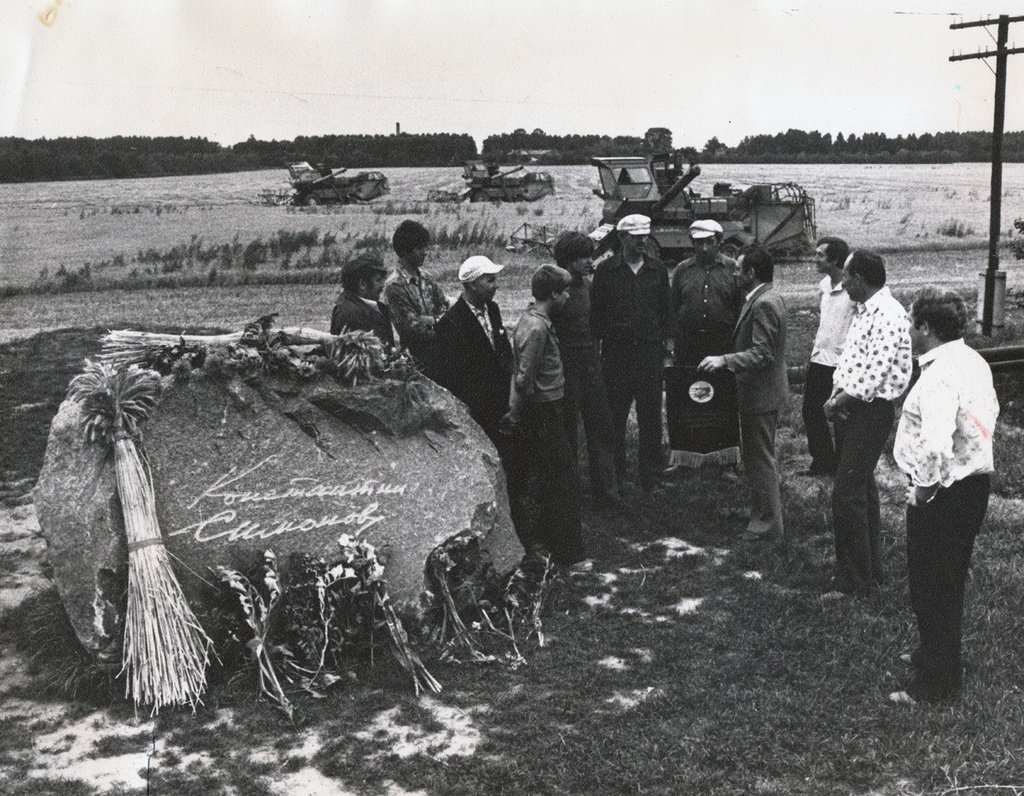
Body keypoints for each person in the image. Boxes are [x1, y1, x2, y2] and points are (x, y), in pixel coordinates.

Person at [889, 288, 998, 705]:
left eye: (911, 321)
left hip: (945, 492)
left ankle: (937, 680)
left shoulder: (937, 376)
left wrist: (924, 490)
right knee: (944, 579)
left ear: (926, 328)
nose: (908, 328)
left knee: (933, 584)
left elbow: (936, 445)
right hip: (972, 488)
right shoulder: (970, 359)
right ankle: (931, 651)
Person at [823, 250, 912, 599]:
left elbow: (871, 377)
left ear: (860, 278)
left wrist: (834, 403)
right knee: (862, 490)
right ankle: (871, 572)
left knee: (845, 494)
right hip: (852, 408)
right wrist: (837, 394)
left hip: (870, 411)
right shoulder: (865, 311)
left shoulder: (889, 314)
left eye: (845, 276)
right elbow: (850, 363)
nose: (842, 282)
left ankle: (855, 583)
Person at [501, 265, 590, 572]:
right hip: (543, 411)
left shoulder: (531, 320)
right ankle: (569, 554)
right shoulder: (537, 329)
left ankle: (545, 540)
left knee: (549, 477)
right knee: (563, 480)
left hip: (542, 410)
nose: (567, 296)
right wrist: (520, 409)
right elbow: (524, 378)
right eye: (564, 291)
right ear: (553, 294)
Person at [698, 247, 788, 541]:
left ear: (751, 274)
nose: (734, 273)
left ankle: (768, 525)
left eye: (738, 269)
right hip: (760, 393)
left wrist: (725, 360)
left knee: (759, 459)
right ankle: (761, 514)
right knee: (758, 457)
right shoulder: (766, 298)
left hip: (759, 395)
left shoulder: (763, 304)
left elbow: (763, 354)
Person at [590, 214, 671, 492]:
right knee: (615, 417)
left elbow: (666, 312)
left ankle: (651, 476)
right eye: (635, 237)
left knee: (650, 417)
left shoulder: (658, 270)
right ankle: (617, 476)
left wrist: (667, 348)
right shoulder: (605, 271)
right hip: (617, 357)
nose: (641, 242)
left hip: (649, 355)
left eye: (644, 236)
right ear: (622, 238)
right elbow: (596, 316)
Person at [551, 232, 620, 509]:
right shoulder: (555, 293)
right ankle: (569, 496)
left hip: (592, 368)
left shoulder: (589, 288)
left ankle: (606, 495)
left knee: (602, 429)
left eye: (590, 256)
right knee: (567, 434)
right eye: (583, 257)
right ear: (568, 260)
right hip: (565, 372)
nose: (590, 261)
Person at [666, 219, 744, 468]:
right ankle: (685, 455)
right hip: (688, 342)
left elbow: (740, 308)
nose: (704, 248)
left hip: (722, 343)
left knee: (723, 400)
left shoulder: (733, 269)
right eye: (698, 243)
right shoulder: (682, 270)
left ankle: (726, 461)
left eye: (709, 242)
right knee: (685, 397)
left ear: (719, 242)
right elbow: (673, 307)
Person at [429, 255, 513, 448]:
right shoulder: (451, 323)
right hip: (478, 407)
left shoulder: (493, 309)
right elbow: (449, 374)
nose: (496, 285)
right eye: (490, 280)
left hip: (502, 398)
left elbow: (503, 350)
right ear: (473, 285)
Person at [801, 236, 855, 476]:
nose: (815, 259)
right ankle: (823, 461)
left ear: (835, 260)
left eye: (820, 255)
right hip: (820, 359)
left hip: (843, 363)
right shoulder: (824, 285)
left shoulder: (852, 289)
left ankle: (844, 466)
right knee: (811, 410)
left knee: (841, 415)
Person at [382, 219, 449, 366]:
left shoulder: (427, 278)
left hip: (441, 355)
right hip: (416, 361)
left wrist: (432, 320)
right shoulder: (395, 286)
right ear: (405, 251)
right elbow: (413, 329)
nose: (425, 253)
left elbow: (446, 309)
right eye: (419, 248)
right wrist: (445, 327)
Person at [329, 252, 395, 346]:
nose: (383, 284)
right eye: (378, 280)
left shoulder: (376, 307)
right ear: (362, 284)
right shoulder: (349, 313)